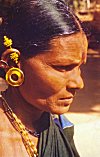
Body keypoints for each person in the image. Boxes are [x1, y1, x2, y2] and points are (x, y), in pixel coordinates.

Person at [0, 0, 88, 157]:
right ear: (13, 62)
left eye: (79, 66)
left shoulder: (61, 127)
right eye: (63, 67)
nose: (79, 83)